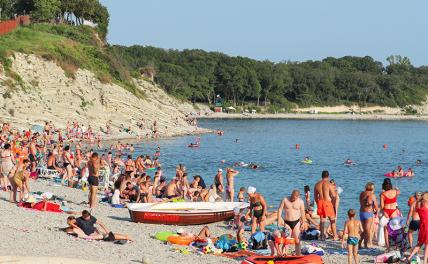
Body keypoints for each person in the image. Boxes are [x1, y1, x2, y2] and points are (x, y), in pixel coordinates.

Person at [67, 211, 131, 242]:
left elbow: (101, 223)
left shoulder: (92, 218)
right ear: (83, 217)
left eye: (89, 216)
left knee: (108, 234)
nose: (89, 218)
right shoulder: (79, 220)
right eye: (87, 218)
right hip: (92, 234)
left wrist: (107, 230)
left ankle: (126, 237)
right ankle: (125, 237)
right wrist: (76, 226)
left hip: (95, 231)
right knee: (106, 236)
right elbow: (70, 222)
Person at [277, 190, 306, 255]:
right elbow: (280, 209)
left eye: (294, 198)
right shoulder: (285, 200)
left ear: (298, 196)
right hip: (287, 222)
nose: (292, 199)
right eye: (292, 197)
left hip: (296, 222)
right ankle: (285, 254)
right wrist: (279, 219)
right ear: (291, 194)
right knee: (286, 240)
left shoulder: (300, 202)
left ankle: (298, 255)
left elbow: (302, 212)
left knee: (297, 240)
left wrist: (303, 222)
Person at [314, 170, 338, 240]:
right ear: (328, 176)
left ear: (321, 176)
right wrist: (336, 192)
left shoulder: (317, 184)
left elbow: (315, 197)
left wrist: (318, 203)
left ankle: (322, 236)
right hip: (327, 202)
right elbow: (334, 195)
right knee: (332, 219)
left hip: (320, 202)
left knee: (322, 220)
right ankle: (335, 236)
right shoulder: (329, 184)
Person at [407, 192, 428, 264]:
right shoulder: (426, 206)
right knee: (427, 245)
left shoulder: (418, 206)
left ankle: (409, 257)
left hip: (422, 227)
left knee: (419, 244)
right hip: (426, 226)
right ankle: (425, 261)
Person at [380, 178, 400, 250]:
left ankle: (388, 247)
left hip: (386, 211)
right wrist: (395, 188)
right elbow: (399, 192)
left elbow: (382, 206)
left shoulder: (382, 194)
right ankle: (396, 246)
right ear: (390, 184)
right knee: (395, 229)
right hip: (393, 211)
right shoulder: (395, 192)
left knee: (386, 229)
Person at [359, 182, 378, 248]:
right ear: (372, 188)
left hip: (361, 213)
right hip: (368, 213)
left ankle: (360, 243)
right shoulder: (372, 195)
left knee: (365, 230)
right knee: (367, 231)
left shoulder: (362, 193)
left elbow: (360, 202)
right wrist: (376, 213)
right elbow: (376, 206)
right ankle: (365, 244)